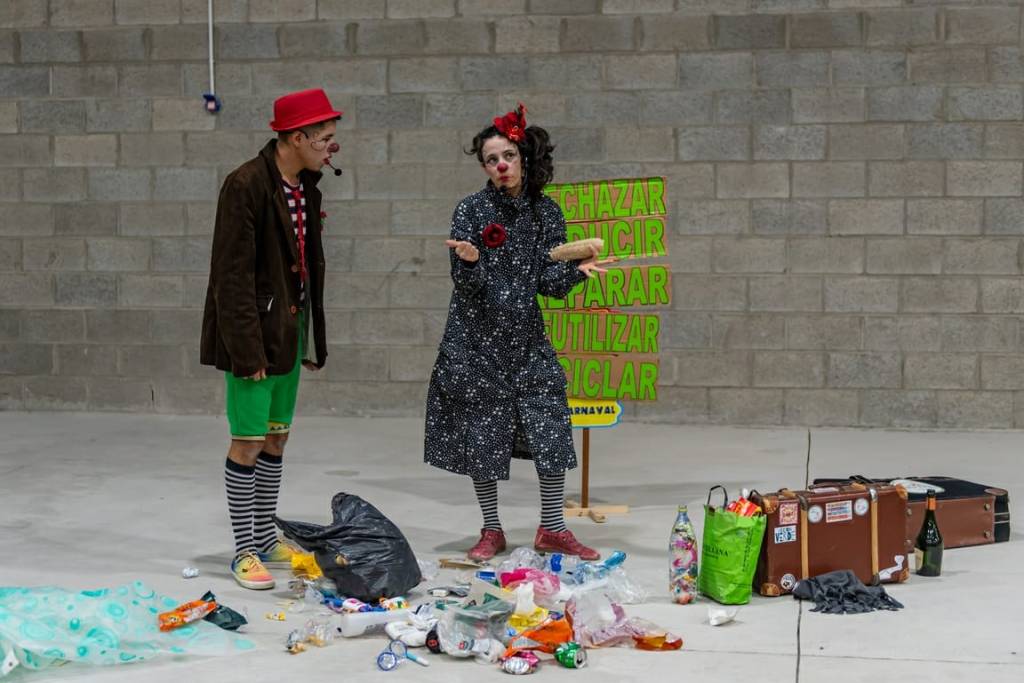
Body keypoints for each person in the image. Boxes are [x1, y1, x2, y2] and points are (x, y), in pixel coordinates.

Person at [424, 104, 608, 562]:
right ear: (484, 167)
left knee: (551, 427)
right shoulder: (470, 210)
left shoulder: (546, 212)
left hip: (526, 340)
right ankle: (492, 529)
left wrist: (578, 272)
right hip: (475, 342)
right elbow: (467, 285)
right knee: (483, 435)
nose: (501, 165)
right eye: (491, 159)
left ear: (524, 157)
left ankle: (553, 528)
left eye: (508, 155)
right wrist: (470, 262)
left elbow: (548, 282)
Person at [200, 89, 340, 589]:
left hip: (289, 330)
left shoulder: (305, 186)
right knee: (248, 441)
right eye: (324, 139)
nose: (330, 148)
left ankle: (263, 536)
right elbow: (230, 277)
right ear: (296, 137)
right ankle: (244, 551)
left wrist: (310, 340)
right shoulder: (245, 185)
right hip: (255, 336)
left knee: (277, 436)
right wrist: (246, 350)